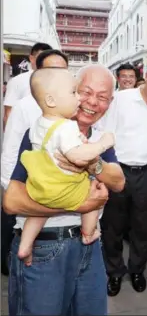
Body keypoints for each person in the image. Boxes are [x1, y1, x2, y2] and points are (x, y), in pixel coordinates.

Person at [3, 64, 125, 316]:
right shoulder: (41, 132)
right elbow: (12, 201)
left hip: (88, 247)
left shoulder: (96, 136)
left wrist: (93, 162)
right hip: (44, 247)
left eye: (102, 97)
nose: (91, 102)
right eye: (84, 92)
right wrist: (80, 205)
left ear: (109, 103)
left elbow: (119, 181)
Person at [17, 68, 115, 265]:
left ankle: (25, 245)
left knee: (37, 216)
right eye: (79, 92)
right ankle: (90, 232)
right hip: (59, 203)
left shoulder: (38, 124)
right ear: (53, 100)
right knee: (91, 193)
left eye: (102, 97)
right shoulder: (67, 127)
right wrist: (102, 145)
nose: (84, 100)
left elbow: (119, 181)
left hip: (40, 186)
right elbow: (78, 157)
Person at [100, 61, 147, 297]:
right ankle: (114, 271)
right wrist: (105, 170)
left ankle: (137, 269)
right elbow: (106, 133)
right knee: (113, 224)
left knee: (142, 225)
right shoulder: (122, 100)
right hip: (118, 169)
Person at [1, 49, 69, 276]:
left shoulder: (70, 102)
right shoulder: (25, 106)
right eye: (51, 70)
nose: (58, 75)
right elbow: (10, 152)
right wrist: (12, 188)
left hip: (57, 188)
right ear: (37, 71)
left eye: (62, 70)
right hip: (27, 188)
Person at [3, 42, 52, 126]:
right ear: (31, 58)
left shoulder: (55, 80)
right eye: (40, 57)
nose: (44, 61)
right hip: (23, 133)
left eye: (47, 58)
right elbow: (8, 112)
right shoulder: (17, 81)